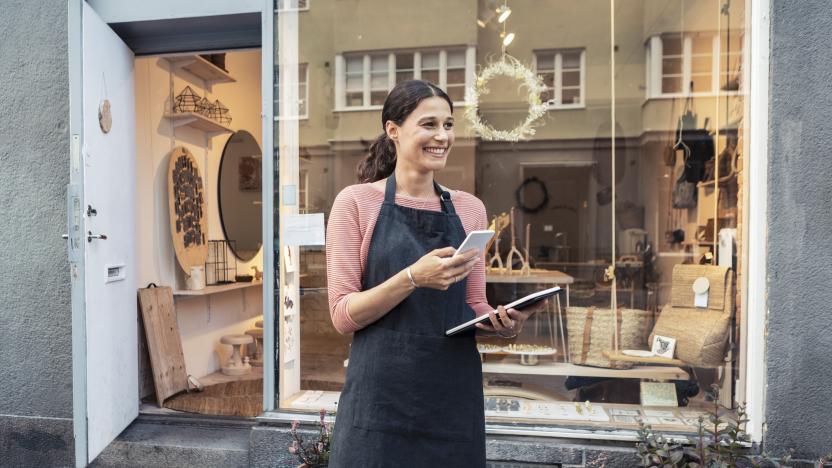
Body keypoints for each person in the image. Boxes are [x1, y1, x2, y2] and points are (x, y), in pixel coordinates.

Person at [326, 80, 546, 467]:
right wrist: (412, 277)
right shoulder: (356, 203)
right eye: (429, 124)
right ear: (393, 131)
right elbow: (344, 314)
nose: (442, 136)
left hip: (450, 398)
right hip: (378, 402)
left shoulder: (470, 209)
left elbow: (472, 304)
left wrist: (503, 324)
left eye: (448, 125)